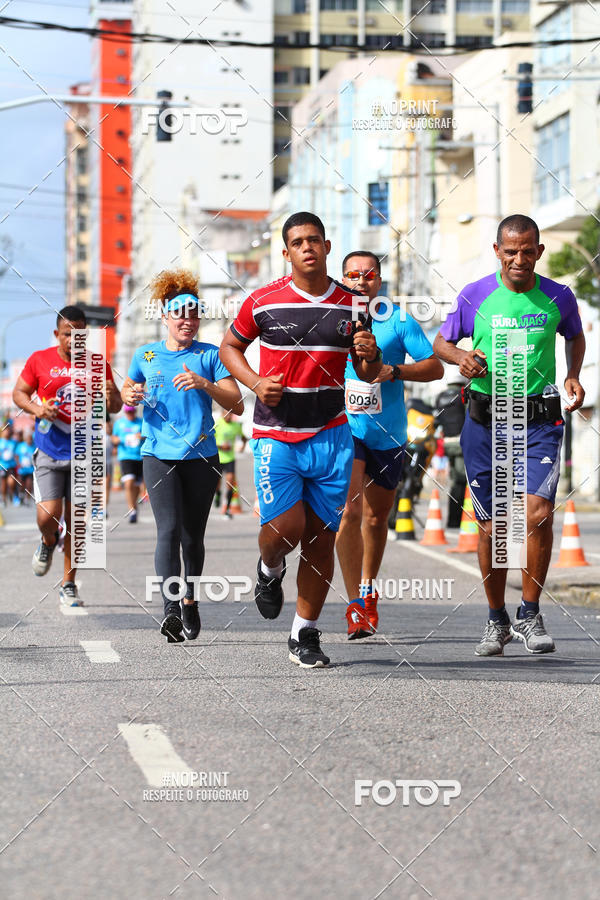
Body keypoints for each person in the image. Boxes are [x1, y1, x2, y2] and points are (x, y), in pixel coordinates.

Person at [219, 212, 383, 668]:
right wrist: (253, 382)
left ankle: (304, 634)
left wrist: (371, 357)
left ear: (327, 246)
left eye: (314, 240)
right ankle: (269, 570)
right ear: (286, 251)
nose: (307, 247)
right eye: (297, 241)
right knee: (284, 531)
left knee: (320, 538)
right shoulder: (263, 301)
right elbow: (229, 347)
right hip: (277, 433)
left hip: (332, 434)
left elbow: (366, 371)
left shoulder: (353, 303)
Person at [433, 214, 585, 656]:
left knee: (536, 515)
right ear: (497, 251)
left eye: (528, 250)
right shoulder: (475, 295)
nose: (520, 258)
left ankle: (530, 612)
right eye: (511, 250)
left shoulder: (558, 296)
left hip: (539, 420)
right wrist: (461, 356)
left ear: (539, 251)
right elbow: (441, 343)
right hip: (484, 422)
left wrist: (572, 375)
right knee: (493, 529)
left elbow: (574, 336)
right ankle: (496, 619)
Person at [121, 269, 243, 644]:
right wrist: (129, 396)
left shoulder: (210, 355)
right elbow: (129, 388)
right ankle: (171, 607)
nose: (187, 320)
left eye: (193, 314)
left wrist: (205, 383)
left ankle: (190, 600)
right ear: (165, 318)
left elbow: (236, 403)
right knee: (168, 530)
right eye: (180, 314)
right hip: (158, 454)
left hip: (203, 455)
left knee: (192, 538)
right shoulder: (146, 354)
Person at [335, 251, 443, 639]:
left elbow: (434, 366)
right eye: (352, 274)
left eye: (368, 275)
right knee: (349, 512)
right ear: (342, 278)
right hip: (346, 430)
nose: (360, 281)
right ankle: (354, 606)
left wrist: (393, 371)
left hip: (389, 434)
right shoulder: (331, 318)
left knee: (377, 517)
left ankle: (368, 588)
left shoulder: (397, 320)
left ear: (379, 280)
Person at [12, 306, 122, 606]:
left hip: (84, 451)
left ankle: (68, 583)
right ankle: (48, 541)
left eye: (80, 334)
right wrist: (37, 409)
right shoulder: (39, 360)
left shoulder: (98, 363)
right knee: (48, 515)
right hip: (49, 447)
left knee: (76, 522)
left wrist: (112, 394)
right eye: (67, 335)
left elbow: (114, 407)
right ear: (56, 335)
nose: (74, 340)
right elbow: (19, 393)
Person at [435, 374, 467, 529]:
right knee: (461, 481)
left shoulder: (440, 396)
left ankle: (453, 519)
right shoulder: (463, 394)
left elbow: (437, 418)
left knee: (455, 480)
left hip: (447, 443)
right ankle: (456, 520)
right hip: (462, 442)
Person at [112, 405, 144, 523]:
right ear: (125, 412)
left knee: (136, 485)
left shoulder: (140, 422)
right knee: (128, 482)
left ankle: (134, 506)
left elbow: (147, 435)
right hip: (125, 456)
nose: (130, 414)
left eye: (132, 412)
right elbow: (114, 438)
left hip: (139, 457)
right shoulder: (119, 423)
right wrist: (120, 440)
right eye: (128, 412)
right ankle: (132, 510)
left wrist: (141, 436)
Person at [214, 410, 247, 518]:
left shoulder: (236, 426)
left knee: (230, 484)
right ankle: (218, 494)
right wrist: (220, 447)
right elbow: (208, 439)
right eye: (226, 414)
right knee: (217, 484)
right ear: (222, 414)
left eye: (230, 415)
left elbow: (243, 437)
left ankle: (227, 510)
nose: (228, 417)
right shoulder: (217, 424)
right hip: (218, 458)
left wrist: (243, 445)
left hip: (230, 459)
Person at [15, 430, 36, 506]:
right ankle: (20, 496)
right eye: (28, 438)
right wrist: (18, 464)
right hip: (22, 469)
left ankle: (27, 498)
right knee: (21, 484)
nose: (29, 440)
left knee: (29, 484)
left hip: (30, 469)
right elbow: (16, 455)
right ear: (26, 438)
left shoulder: (34, 446)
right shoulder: (21, 446)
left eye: (31, 439)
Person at [0, 423, 18, 506]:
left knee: (11, 482)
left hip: (11, 466)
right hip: (2, 466)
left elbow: (17, 453)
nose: (6, 431)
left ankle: (13, 494)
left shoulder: (13, 442)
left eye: (8, 429)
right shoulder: (1, 442)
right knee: (3, 483)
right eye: (5, 430)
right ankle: (3, 499)